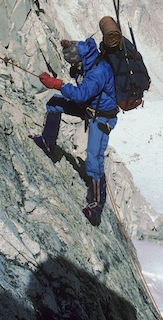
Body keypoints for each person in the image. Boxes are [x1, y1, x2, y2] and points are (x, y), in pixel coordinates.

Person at [30, 26, 120, 227]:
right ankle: (47, 142)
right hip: (90, 107)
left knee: (94, 158)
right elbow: (79, 49)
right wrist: (68, 45)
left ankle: (96, 207)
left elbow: (80, 94)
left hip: (101, 117)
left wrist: (57, 84)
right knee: (54, 103)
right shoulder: (87, 51)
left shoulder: (98, 72)